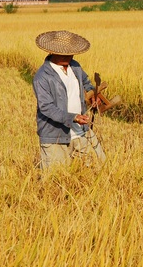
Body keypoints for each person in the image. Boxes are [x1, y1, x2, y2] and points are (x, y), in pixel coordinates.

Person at [32, 30, 106, 170]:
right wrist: (73, 117)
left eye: (70, 53)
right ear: (52, 52)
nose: (67, 56)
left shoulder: (75, 66)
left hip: (80, 131)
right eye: (63, 53)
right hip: (56, 137)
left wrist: (93, 96)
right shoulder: (42, 77)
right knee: (56, 180)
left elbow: (85, 82)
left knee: (99, 167)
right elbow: (46, 107)